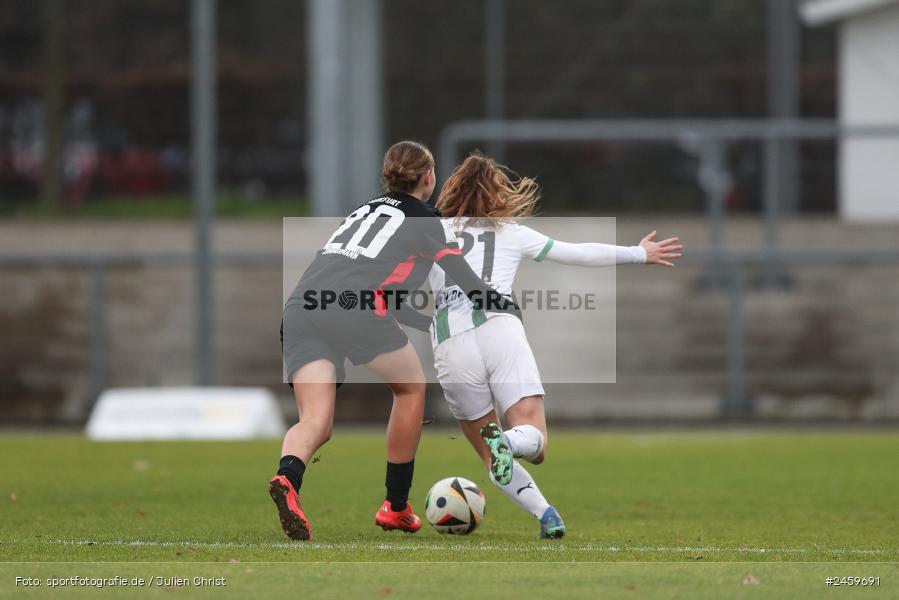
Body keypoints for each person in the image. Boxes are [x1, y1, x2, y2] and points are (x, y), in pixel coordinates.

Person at [429, 152, 683, 539]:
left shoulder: (429, 232)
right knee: (536, 441)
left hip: (450, 344)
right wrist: (637, 253)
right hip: (500, 330)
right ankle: (512, 443)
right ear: (497, 191)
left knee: (488, 455)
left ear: (452, 188)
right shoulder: (509, 231)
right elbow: (576, 253)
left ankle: (547, 514)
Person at [271, 141, 513, 540]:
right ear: (429, 177)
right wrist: (498, 304)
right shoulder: (424, 218)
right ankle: (396, 506)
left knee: (315, 420)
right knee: (411, 388)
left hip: (303, 306)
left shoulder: (362, 211)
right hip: (353, 308)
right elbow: (459, 273)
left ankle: (287, 480)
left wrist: (427, 321)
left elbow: (385, 292)